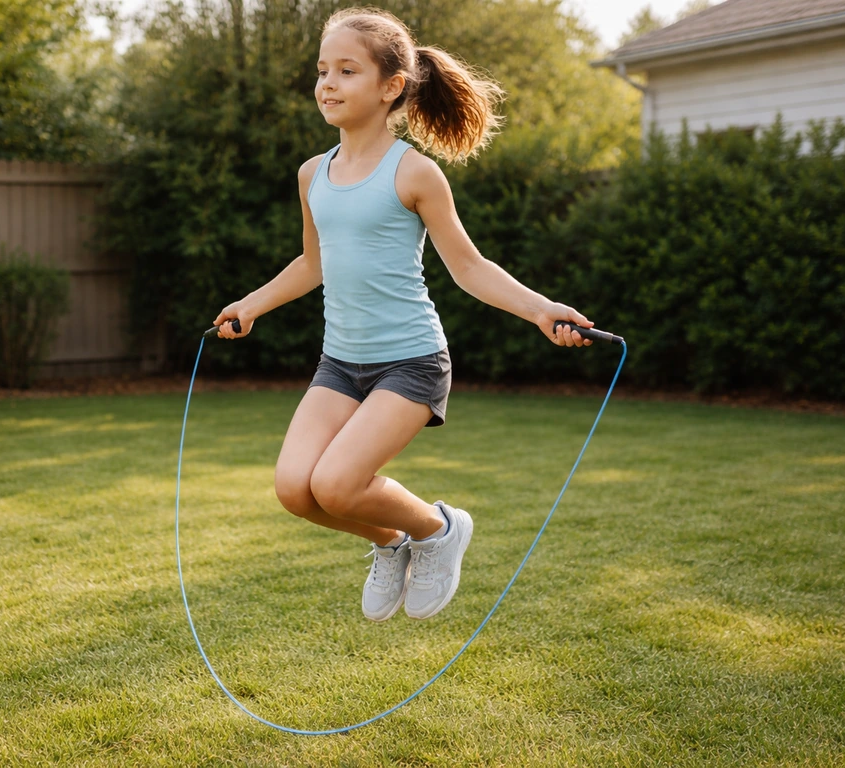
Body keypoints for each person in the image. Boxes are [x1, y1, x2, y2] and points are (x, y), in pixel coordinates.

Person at [212, 6, 593, 623]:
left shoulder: (414, 172)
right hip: (341, 362)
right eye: (321, 71)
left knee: (335, 485)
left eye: (346, 71)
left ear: (391, 87)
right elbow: (312, 263)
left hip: (410, 363)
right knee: (294, 490)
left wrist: (543, 311)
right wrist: (250, 306)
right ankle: (391, 542)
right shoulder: (313, 174)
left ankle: (440, 529)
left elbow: (469, 268)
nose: (327, 84)